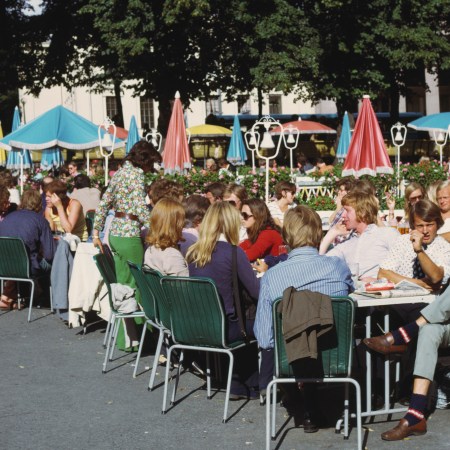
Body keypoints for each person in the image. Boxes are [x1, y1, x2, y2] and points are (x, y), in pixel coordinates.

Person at [254, 205, 353, 431]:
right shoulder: (337, 267)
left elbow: (264, 337)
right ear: (318, 232)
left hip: (291, 359)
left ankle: (303, 401)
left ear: (287, 235)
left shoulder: (272, 276)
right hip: (334, 353)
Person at [186, 202, 260, 400]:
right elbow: (256, 291)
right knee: (259, 322)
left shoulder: (194, 252)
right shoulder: (234, 253)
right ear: (231, 224)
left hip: (198, 325)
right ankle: (253, 383)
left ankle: (236, 382)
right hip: (227, 328)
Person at [93, 140, 162, 288]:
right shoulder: (136, 174)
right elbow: (140, 207)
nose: (150, 169)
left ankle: (122, 309)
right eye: (151, 164)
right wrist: (157, 231)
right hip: (129, 234)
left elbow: (104, 203)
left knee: (122, 281)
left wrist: (95, 233)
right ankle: (136, 310)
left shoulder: (120, 173)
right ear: (145, 160)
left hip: (115, 234)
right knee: (136, 283)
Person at [320, 191, 399, 280]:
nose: (343, 215)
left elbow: (404, 265)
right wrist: (331, 234)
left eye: (347, 210)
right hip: (355, 291)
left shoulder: (386, 234)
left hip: (385, 288)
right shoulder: (346, 244)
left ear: (362, 212)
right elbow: (319, 266)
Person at [0, 189, 56, 310]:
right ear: (39, 204)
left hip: (4, 268)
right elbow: (50, 255)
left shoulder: (7, 218)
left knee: (26, 258)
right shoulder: (40, 221)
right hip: (27, 268)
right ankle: (46, 298)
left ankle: (12, 297)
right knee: (52, 263)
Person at [144, 198, 188, 276]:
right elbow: (183, 286)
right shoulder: (172, 256)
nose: (184, 224)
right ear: (174, 225)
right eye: (182, 220)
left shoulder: (150, 250)